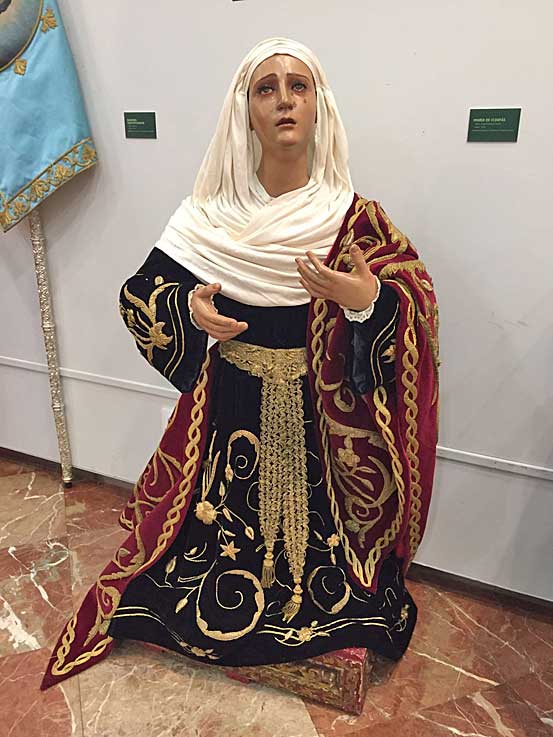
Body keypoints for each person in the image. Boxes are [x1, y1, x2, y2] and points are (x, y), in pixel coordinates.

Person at [42, 37, 439, 689]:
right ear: (244, 111)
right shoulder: (209, 217)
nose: (284, 100)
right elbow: (141, 293)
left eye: (298, 86)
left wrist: (367, 301)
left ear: (319, 106)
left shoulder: (353, 220)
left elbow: (413, 301)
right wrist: (187, 309)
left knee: (328, 555)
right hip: (230, 410)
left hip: (321, 424)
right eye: (266, 88)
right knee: (210, 542)